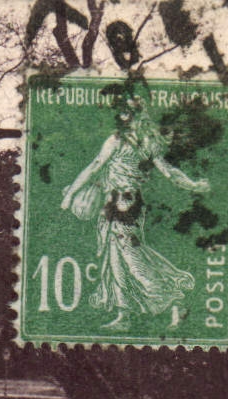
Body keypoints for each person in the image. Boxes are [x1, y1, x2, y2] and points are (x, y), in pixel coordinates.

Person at [61, 97, 210, 331]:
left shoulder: (138, 142)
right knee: (115, 258)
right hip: (114, 203)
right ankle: (124, 315)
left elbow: (167, 171)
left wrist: (193, 185)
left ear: (136, 114)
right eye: (120, 112)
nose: (122, 116)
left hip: (127, 205)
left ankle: (175, 301)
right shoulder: (127, 140)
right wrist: (71, 193)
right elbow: (97, 165)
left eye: (126, 112)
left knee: (132, 257)